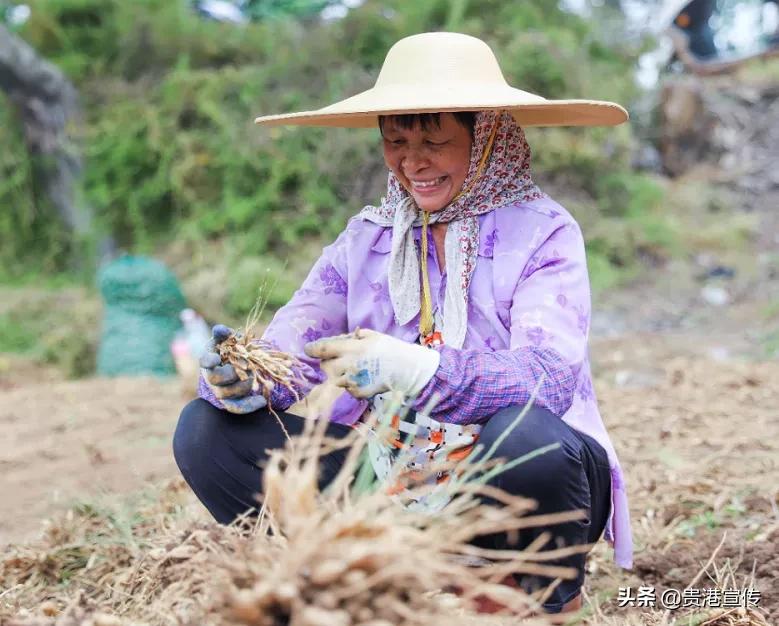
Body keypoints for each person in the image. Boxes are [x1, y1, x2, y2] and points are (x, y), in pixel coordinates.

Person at [173, 32, 633, 615]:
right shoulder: (368, 240)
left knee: (528, 435)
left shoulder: (544, 233)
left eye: (435, 141)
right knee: (206, 432)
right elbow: (301, 333)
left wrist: (415, 370)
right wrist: (248, 378)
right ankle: (350, 580)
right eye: (395, 141)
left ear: (486, 138)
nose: (412, 162)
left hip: (516, 476)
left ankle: (535, 597)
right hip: (397, 476)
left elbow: (547, 377)